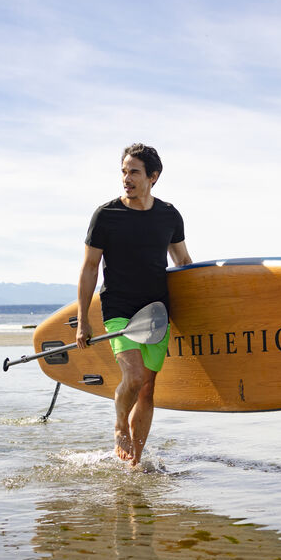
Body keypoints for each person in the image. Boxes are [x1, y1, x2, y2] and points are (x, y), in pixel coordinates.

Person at [75, 143, 193, 467]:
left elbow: (182, 260)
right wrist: (82, 320)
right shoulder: (106, 215)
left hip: (156, 309)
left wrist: (199, 304)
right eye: (124, 171)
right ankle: (119, 424)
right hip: (119, 308)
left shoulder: (169, 215)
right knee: (135, 375)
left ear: (153, 177)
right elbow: (89, 268)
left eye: (134, 172)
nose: (126, 178)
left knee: (148, 389)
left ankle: (135, 463)